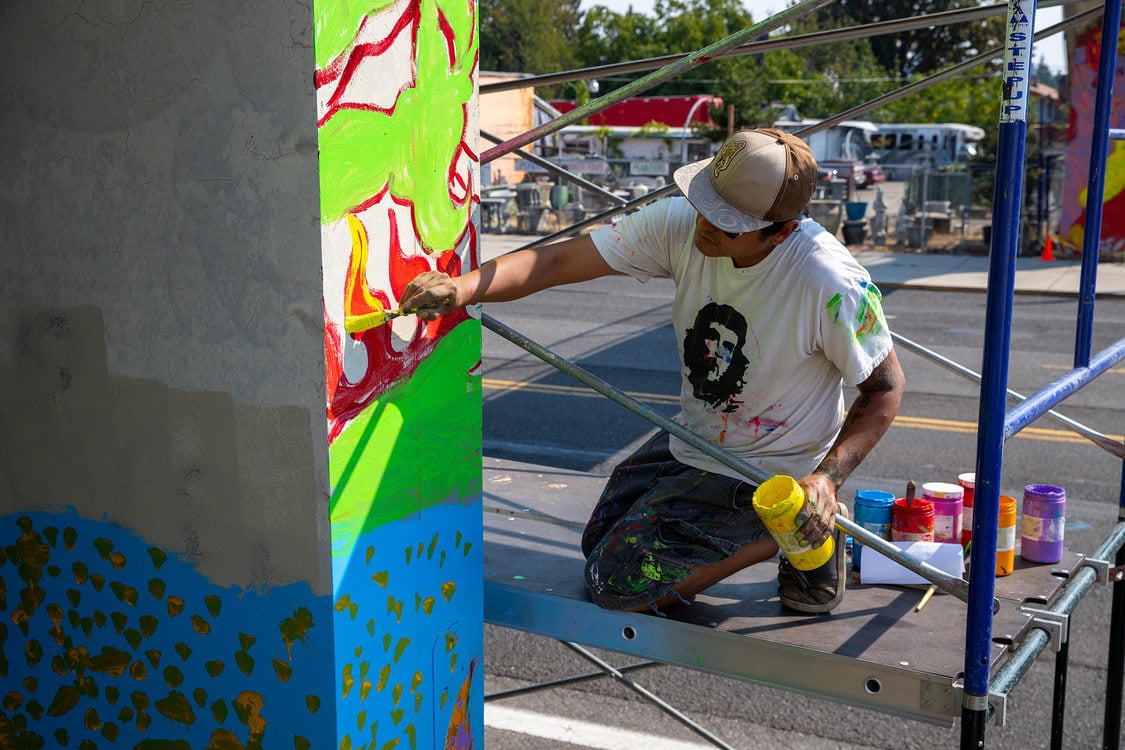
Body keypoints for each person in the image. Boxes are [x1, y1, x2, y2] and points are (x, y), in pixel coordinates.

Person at [402, 128, 905, 615]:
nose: (705, 226)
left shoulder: (828, 282)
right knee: (599, 542)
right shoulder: (683, 223)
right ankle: (771, 532)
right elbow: (555, 262)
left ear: (783, 232)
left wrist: (825, 480)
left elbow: (884, 390)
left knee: (616, 584)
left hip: (769, 468)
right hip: (698, 435)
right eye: (704, 205)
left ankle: (783, 532)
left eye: (727, 223)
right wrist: (462, 289)